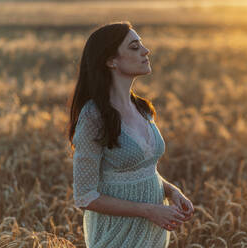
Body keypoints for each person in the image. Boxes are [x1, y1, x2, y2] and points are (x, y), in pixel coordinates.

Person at [67, 21, 194, 247]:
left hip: (151, 233)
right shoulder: (93, 117)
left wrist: (172, 191)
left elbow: (140, 171)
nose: (146, 51)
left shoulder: (143, 109)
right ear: (110, 61)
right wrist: (148, 210)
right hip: (117, 235)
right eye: (134, 47)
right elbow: (85, 196)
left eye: (142, 45)